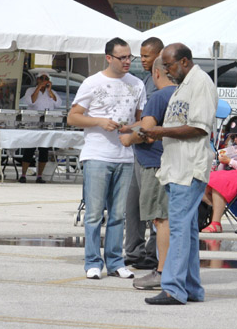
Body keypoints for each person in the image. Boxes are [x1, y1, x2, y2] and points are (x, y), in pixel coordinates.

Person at [141, 43, 217, 305]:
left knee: (178, 228)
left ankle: (173, 288)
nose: (167, 71)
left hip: (188, 167)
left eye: (170, 65)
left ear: (184, 61)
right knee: (188, 230)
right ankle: (192, 288)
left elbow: (199, 127)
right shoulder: (182, 87)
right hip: (175, 167)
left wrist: (160, 131)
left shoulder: (201, 83)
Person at [67, 37, 146, 280]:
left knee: (118, 214)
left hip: (124, 156)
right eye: (122, 57)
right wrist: (99, 121)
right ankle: (92, 261)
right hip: (97, 154)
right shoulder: (92, 83)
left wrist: (130, 129)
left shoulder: (137, 84)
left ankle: (115, 261)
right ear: (108, 58)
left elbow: (143, 120)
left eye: (129, 57)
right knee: (93, 213)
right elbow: (73, 117)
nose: (127, 62)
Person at [119, 56, 175, 290]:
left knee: (161, 220)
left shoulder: (159, 96)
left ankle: (162, 271)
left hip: (153, 163)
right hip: (174, 161)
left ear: (157, 74)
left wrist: (127, 138)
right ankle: (174, 269)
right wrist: (132, 126)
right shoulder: (183, 95)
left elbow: (148, 128)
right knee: (172, 219)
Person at [124, 36, 165, 271]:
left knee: (153, 209)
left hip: (153, 154)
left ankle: (152, 252)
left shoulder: (163, 86)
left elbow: (151, 122)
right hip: (139, 153)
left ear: (159, 54)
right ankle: (133, 251)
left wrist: (131, 131)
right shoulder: (147, 80)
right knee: (134, 205)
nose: (142, 60)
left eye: (146, 56)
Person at [19, 72, 62, 183]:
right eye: (41, 78)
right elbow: (31, 102)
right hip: (33, 124)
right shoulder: (30, 90)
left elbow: (58, 104)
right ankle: (23, 174)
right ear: (37, 80)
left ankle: (39, 176)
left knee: (44, 151)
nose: (43, 80)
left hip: (46, 125)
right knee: (29, 150)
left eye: (46, 78)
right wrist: (38, 88)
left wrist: (49, 90)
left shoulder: (52, 93)